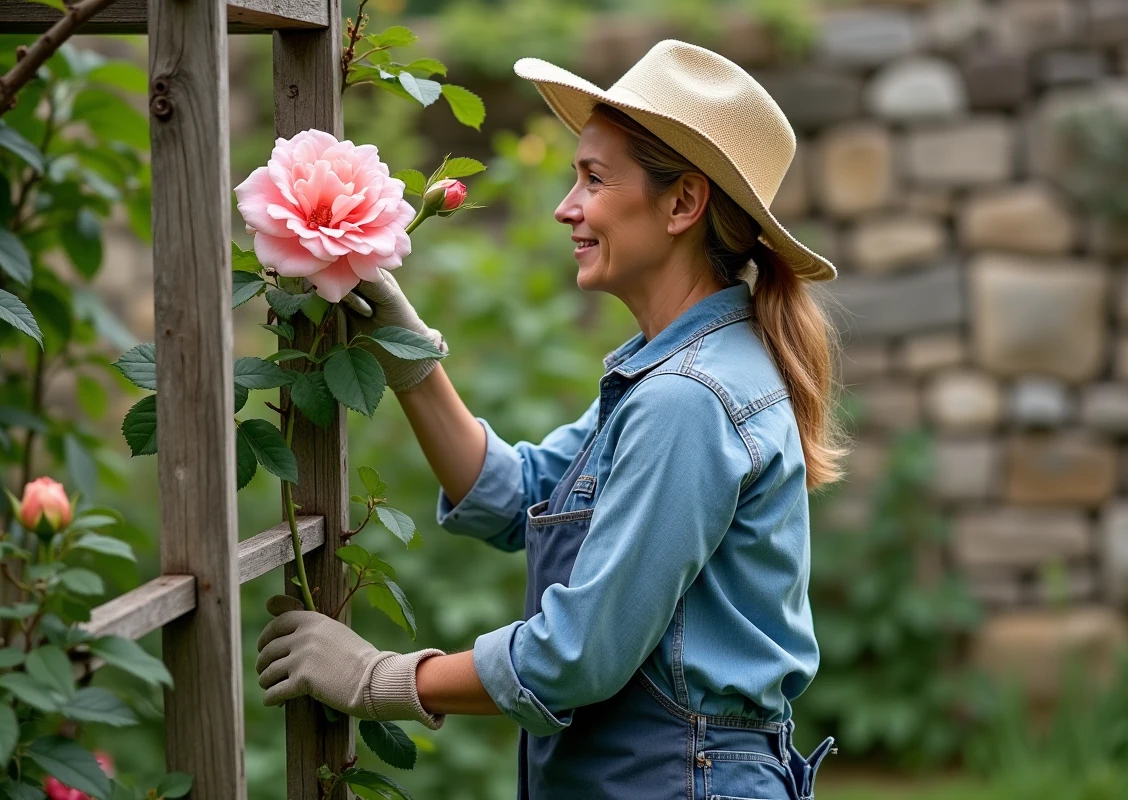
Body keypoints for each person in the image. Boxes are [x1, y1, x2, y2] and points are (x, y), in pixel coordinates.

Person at [255, 39, 849, 800]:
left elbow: (579, 653)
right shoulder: (674, 368)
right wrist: (407, 356)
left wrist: (381, 678)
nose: (567, 207)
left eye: (594, 180)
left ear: (682, 203)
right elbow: (520, 494)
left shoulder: (687, 398)